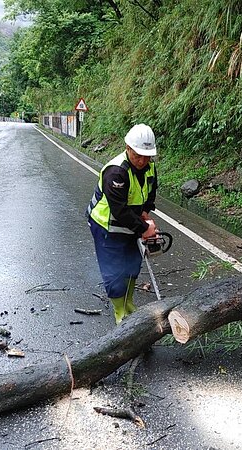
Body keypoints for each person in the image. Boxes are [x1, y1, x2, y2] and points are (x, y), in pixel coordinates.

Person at [87, 123, 159, 324]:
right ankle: (120, 311)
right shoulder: (116, 172)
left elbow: (150, 191)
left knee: (132, 266)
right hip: (107, 227)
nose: (143, 160)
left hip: (132, 224)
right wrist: (144, 228)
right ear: (127, 148)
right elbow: (119, 211)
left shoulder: (149, 166)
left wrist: (145, 214)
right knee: (114, 271)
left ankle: (128, 303)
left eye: (147, 156)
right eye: (138, 155)